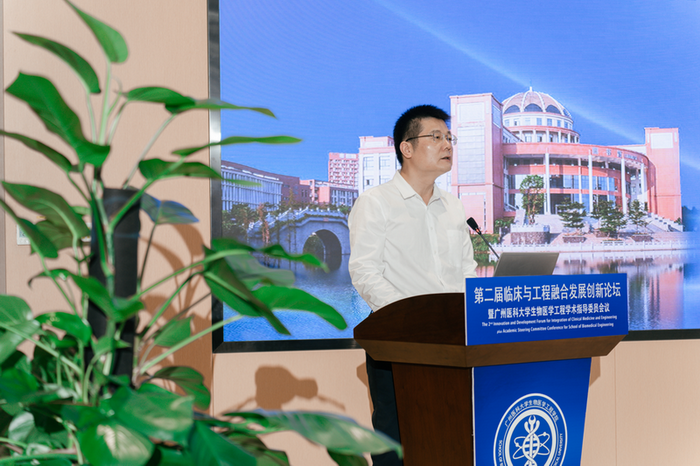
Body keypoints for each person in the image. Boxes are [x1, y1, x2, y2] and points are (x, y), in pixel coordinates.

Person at [348, 104, 478, 466]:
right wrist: (411, 319)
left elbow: (466, 270)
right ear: (406, 148)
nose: (447, 144)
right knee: (397, 444)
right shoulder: (376, 203)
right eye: (436, 137)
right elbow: (365, 271)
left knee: (452, 439)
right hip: (397, 343)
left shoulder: (453, 207)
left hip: (454, 343)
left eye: (449, 137)